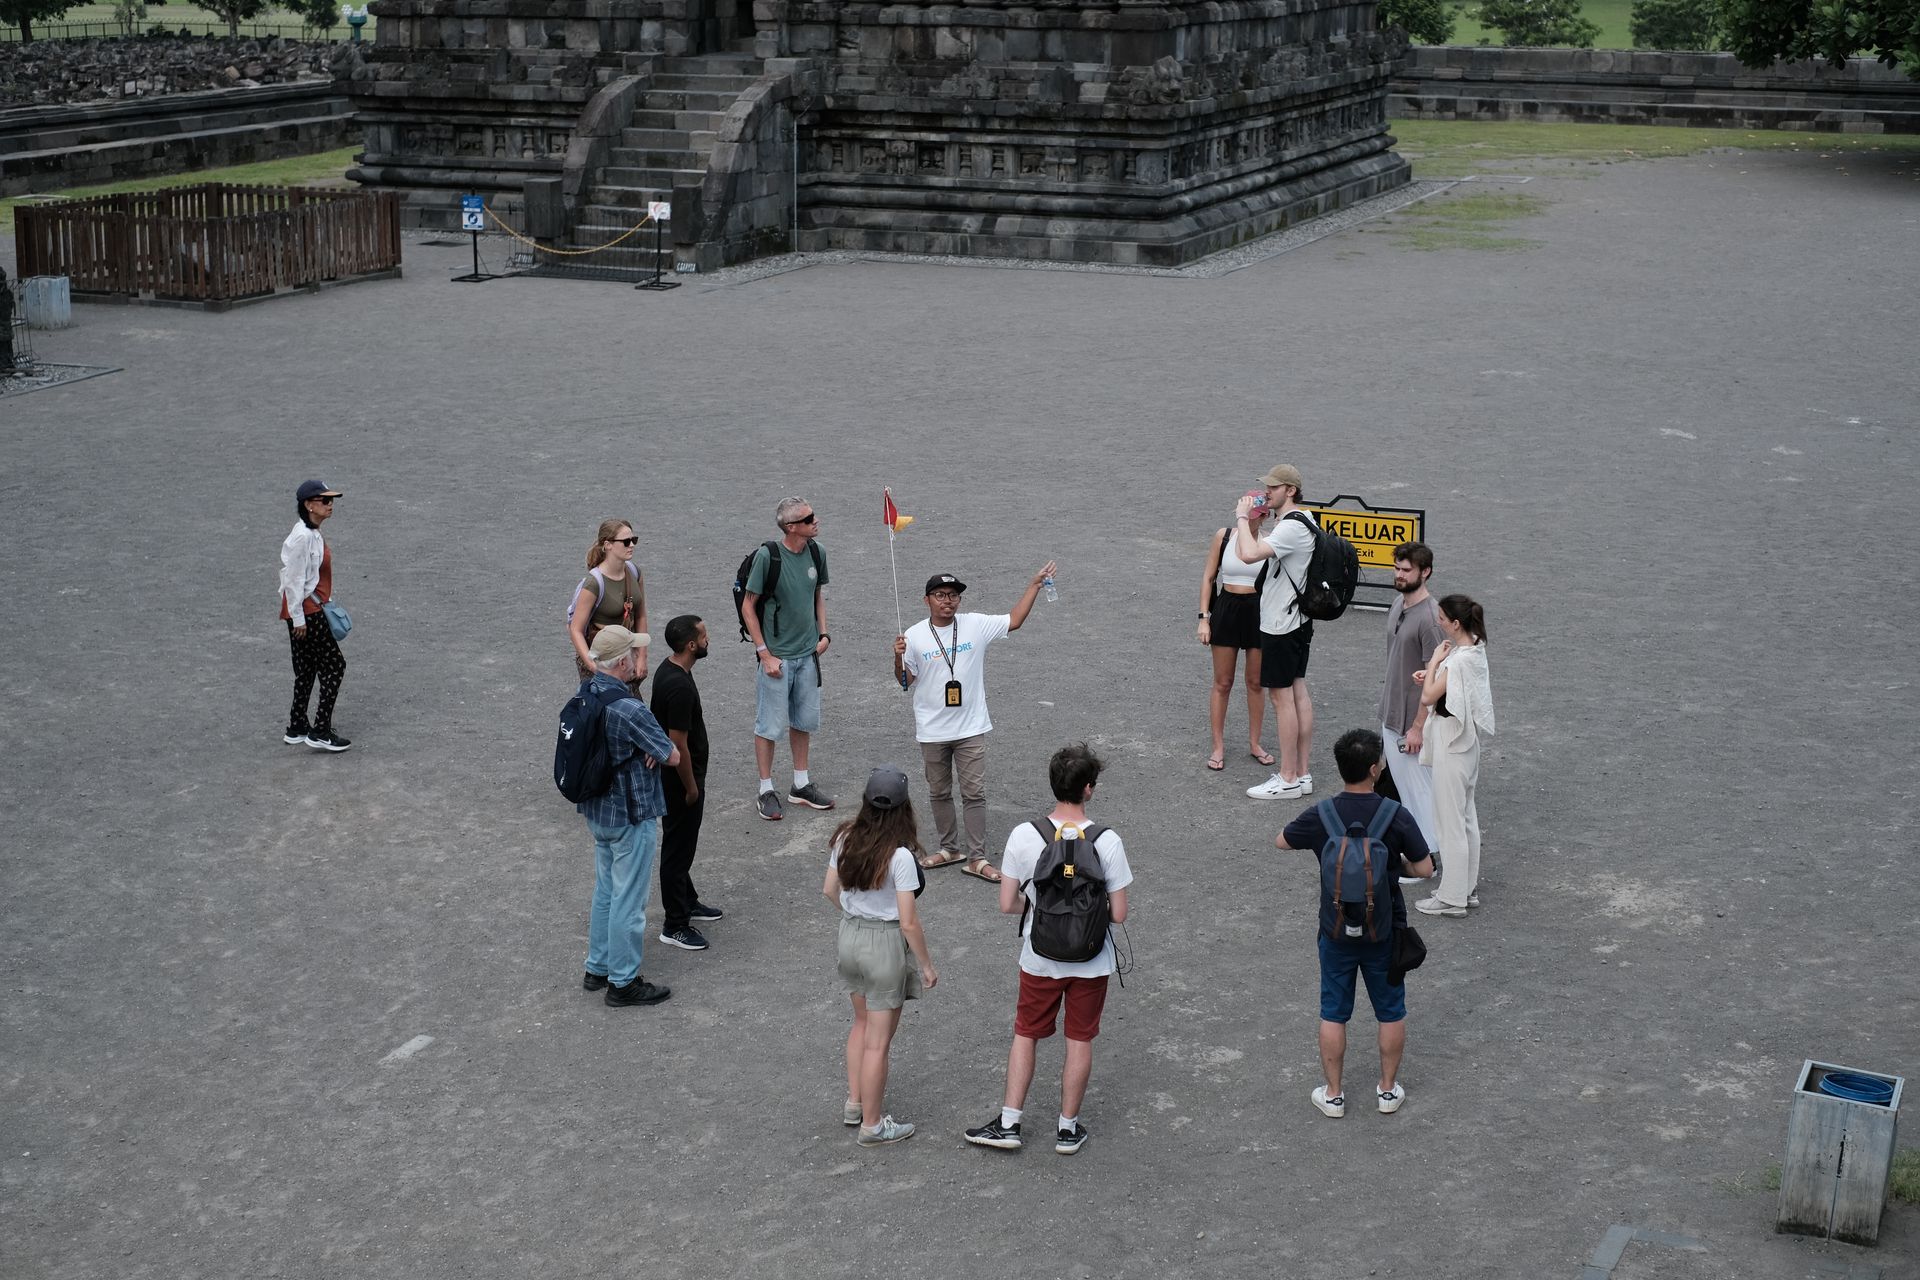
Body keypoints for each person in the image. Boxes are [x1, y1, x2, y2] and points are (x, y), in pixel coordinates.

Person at [964, 744, 1132, 1157]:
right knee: (1080, 1039)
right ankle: (1067, 1129)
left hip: (1040, 957)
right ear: (1088, 789)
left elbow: (1007, 904)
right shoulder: (1107, 841)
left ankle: (1009, 1123)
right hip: (1092, 960)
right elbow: (1120, 914)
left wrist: (1042, 910)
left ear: (1054, 784)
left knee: (1027, 1033)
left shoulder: (1025, 835)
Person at [1276, 729, 1434, 1118]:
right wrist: (1395, 864)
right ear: (1375, 769)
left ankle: (1333, 1094)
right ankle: (1386, 1090)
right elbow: (1426, 869)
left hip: (1334, 931)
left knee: (1333, 1010)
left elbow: (1281, 840)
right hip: (1384, 930)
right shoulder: (1394, 814)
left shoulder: (1323, 814)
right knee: (1390, 1010)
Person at [890, 564, 1055, 884]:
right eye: (940, 595)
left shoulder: (975, 625)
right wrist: (897, 658)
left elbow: (1014, 621)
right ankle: (949, 848)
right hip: (932, 728)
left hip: (970, 727)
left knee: (974, 793)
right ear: (927, 600)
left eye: (953, 596)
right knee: (939, 792)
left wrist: (1033, 585)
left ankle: (977, 857)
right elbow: (906, 681)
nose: (948, 601)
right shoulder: (913, 635)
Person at [823, 766, 940, 1147]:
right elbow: (908, 922)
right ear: (905, 809)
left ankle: (855, 1103)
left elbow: (829, 890)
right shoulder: (901, 857)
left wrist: (858, 912)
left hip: (849, 935)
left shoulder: (844, 836)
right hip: (884, 945)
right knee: (879, 1041)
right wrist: (925, 965)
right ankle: (872, 1126)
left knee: (860, 1024)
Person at [576, 626, 680, 1007]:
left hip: (597, 810)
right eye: (634, 653)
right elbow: (672, 755)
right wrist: (652, 748)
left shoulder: (586, 693)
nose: (638, 658)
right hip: (630, 813)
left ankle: (597, 968)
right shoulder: (630, 708)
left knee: (605, 890)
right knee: (629, 900)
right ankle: (623, 982)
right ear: (621, 662)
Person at [742, 497, 833, 820]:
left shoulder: (816, 552)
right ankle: (766, 788)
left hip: (808, 655)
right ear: (791, 527)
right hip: (777, 659)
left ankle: (800, 784)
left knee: (803, 721)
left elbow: (816, 595)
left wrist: (824, 634)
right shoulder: (769, 557)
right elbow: (748, 606)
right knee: (769, 725)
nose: (816, 520)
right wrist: (764, 653)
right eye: (809, 518)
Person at [1234, 464, 1318, 799]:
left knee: (1282, 697)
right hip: (1297, 620)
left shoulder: (1291, 527)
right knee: (1298, 692)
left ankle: (1287, 778)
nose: (1266, 491)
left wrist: (1242, 517)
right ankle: (1302, 772)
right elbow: (1252, 553)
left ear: (1291, 491)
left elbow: (1249, 553)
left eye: (1273, 487)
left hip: (1281, 623)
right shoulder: (1304, 521)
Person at [1413, 595, 1495, 919]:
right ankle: (1466, 888)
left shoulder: (1456, 658)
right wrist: (1434, 672)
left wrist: (1433, 663)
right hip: (1468, 741)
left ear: (1456, 624)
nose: (1438, 622)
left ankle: (1452, 898)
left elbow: (1428, 697)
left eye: (1443, 619)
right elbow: (1451, 684)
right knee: (1466, 818)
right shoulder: (1473, 647)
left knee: (1449, 822)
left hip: (1452, 740)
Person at [651, 615, 723, 952]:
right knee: (678, 850)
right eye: (704, 635)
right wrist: (691, 787)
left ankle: (687, 899)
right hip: (681, 780)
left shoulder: (670, 670)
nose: (708, 639)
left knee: (682, 844)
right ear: (691, 645)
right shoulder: (678, 686)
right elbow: (676, 743)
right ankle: (675, 924)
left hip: (681, 777)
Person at [1199, 496, 1273, 772]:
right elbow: (1209, 577)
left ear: (1263, 517)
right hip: (1227, 608)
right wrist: (1204, 619)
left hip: (1259, 610)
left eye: (1252, 514)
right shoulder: (1224, 536)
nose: (1245, 517)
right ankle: (1218, 746)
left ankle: (1255, 743)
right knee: (1223, 682)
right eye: (1243, 512)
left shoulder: (1268, 540)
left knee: (1255, 682)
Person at [1379, 542, 1444, 858]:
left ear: (1425, 572)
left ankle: (1425, 858)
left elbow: (1435, 678)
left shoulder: (1431, 619)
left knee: (1419, 793)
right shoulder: (1397, 604)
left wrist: (1418, 727)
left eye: (1406, 570)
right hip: (1391, 716)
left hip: (1411, 724)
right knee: (1402, 790)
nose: (1400, 575)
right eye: (1397, 568)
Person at [278, 479, 350, 752]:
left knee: (306, 669)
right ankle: (320, 730)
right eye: (325, 501)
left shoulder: (311, 533)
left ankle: (297, 726)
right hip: (308, 611)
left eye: (331, 500)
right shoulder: (302, 537)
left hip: (303, 609)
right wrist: (298, 618)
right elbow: (293, 579)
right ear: (309, 505)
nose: (330, 505)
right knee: (334, 666)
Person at [568, 519, 649, 686]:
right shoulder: (594, 583)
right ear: (608, 545)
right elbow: (575, 629)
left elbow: (640, 615)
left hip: (626, 657)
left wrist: (642, 657)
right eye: (626, 541)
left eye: (634, 540)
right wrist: (592, 666)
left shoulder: (634, 572)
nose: (632, 545)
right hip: (604, 661)